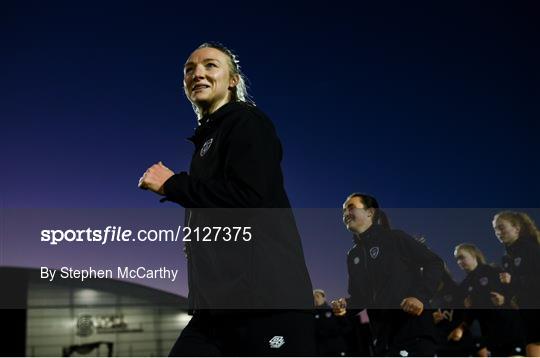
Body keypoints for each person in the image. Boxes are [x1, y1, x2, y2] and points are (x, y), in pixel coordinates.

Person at [138, 42, 315, 356]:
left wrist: (173, 185)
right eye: (189, 69)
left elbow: (250, 197)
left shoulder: (247, 122)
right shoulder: (206, 141)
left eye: (210, 65)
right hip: (216, 312)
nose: (198, 73)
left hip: (266, 306)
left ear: (232, 80)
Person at [335, 193, 445, 356]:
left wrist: (419, 297)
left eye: (350, 207)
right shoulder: (353, 255)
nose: (345, 214)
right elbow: (360, 297)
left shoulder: (395, 238)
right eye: (343, 211)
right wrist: (345, 306)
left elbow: (434, 263)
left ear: (370, 212)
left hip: (412, 333)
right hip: (383, 340)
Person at [448, 243, 525, 357]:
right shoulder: (464, 285)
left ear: (474, 255)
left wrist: (504, 299)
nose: (459, 262)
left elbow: (515, 291)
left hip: (509, 326)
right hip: (490, 333)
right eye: (457, 259)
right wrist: (462, 326)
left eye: (462, 257)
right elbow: (472, 313)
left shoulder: (493, 271)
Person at [493, 211, 540, 357]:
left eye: (501, 227)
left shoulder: (532, 249)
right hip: (526, 313)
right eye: (495, 230)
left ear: (516, 228)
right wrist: (504, 299)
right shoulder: (506, 258)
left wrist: (514, 280)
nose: (498, 232)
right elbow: (514, 289)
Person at [312, 289, 348, 356]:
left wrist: (336, 332)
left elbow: (346, 326)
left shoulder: (334, 310)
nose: (315, 299)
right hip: (323, 351)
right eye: (313, 297)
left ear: (324, 298)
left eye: (317, 296)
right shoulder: (313, 315)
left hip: (337, 348)